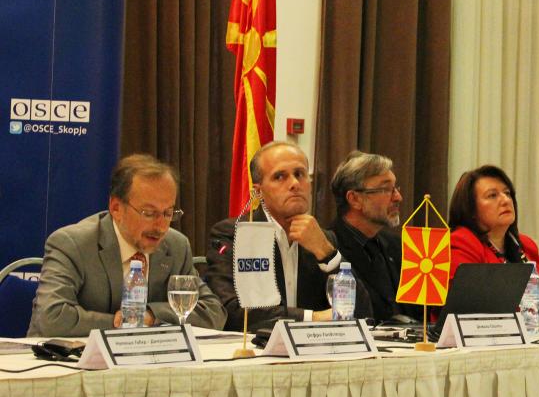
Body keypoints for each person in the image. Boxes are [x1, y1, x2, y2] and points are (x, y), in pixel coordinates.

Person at [28, 154, 226, 337]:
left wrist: (150, 316)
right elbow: (51, 318)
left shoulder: (176, 246)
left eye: (168, 213)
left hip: (146, 359)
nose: (161, 226)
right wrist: (123, 324)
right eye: (149, 213)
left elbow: (213, 312)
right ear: (116, 208)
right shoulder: (73, 244)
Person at [204, 142, 371, 331]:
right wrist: (312, 318)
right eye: (279, 176)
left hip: (314, 347)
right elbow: (230, 311)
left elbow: (362, 312)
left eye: (300, 174)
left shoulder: (323, 239)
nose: (294, 184)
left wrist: (326, 253)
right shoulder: (236, 234)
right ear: (258, 191)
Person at [447, 165, 539, 314]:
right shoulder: (462, 243)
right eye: (492, 195)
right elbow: (470, 309)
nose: (505, 200)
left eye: (507, 193)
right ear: (470, 209)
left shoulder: (526, 245)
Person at [329, 151, 421, 322]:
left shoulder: (398, 246)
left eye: (396, 188)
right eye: (386, 189)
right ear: (355, 199)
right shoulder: (329, 248)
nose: (398, 197)